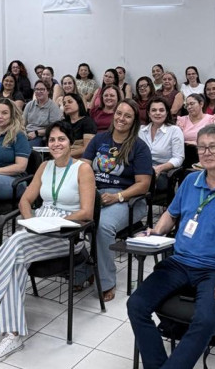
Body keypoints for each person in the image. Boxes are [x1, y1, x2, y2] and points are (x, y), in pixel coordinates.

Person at [0, 121, 95, 363]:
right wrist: (32, 221)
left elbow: (87, 212)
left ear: (71, 143)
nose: (56, 144)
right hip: (38, 229)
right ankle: (12, 334)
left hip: (68, 233)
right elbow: (25, 201)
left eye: (61, 139)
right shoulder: (45, 166)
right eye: (52, 139)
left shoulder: (82, 169)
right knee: (17, 260)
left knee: (16, 244)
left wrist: (56, 223)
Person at [127, 125, 215, 369]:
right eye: (201, 147)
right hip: (179, 263)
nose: (206, 152)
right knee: (136, 304)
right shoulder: (191, 181)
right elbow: (171, 213)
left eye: (213, 147)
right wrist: (156, 231)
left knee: (205, 320)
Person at [80, 99, 152, 301]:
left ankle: (106, 282)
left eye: (127, 115)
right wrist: (89, 191)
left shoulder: (139, 147)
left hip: (127, 200)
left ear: (134, 121)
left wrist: (117, 196)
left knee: (101, 226)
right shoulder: (99, 139)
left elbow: (143, 184)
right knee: (70, 219)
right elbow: (84, 168)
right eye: (119, 113)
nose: (121, 118)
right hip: (95, 193)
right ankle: (82, 272)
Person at [139, 97, 184, 192]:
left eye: (161, 110)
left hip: (163, 173)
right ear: (148, 113)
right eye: (154, 110)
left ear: (167, 113)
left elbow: (178, 158)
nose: (157, 113)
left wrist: (159, 168)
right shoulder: (141, 130)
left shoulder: (174, 130)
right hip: (141, 170)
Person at [23, 81, 63, 147]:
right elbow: (22, 123)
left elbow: (54, 128)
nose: (39, 92)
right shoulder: (29, 105)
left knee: (26, 148)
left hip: (41, 136)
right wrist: (24, 133)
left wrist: (36, 133)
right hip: (26, 134)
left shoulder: (53, 107)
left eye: (42, 89)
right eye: (36, 89)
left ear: (48, 91)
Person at [62, 92, 96, 158]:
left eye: (70, 102)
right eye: (64, 103)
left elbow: (87, 148)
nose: (66, 105)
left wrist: (67, 155)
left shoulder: (87, 122)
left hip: (81, 158)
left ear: (79, 103)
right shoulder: (63, 123)